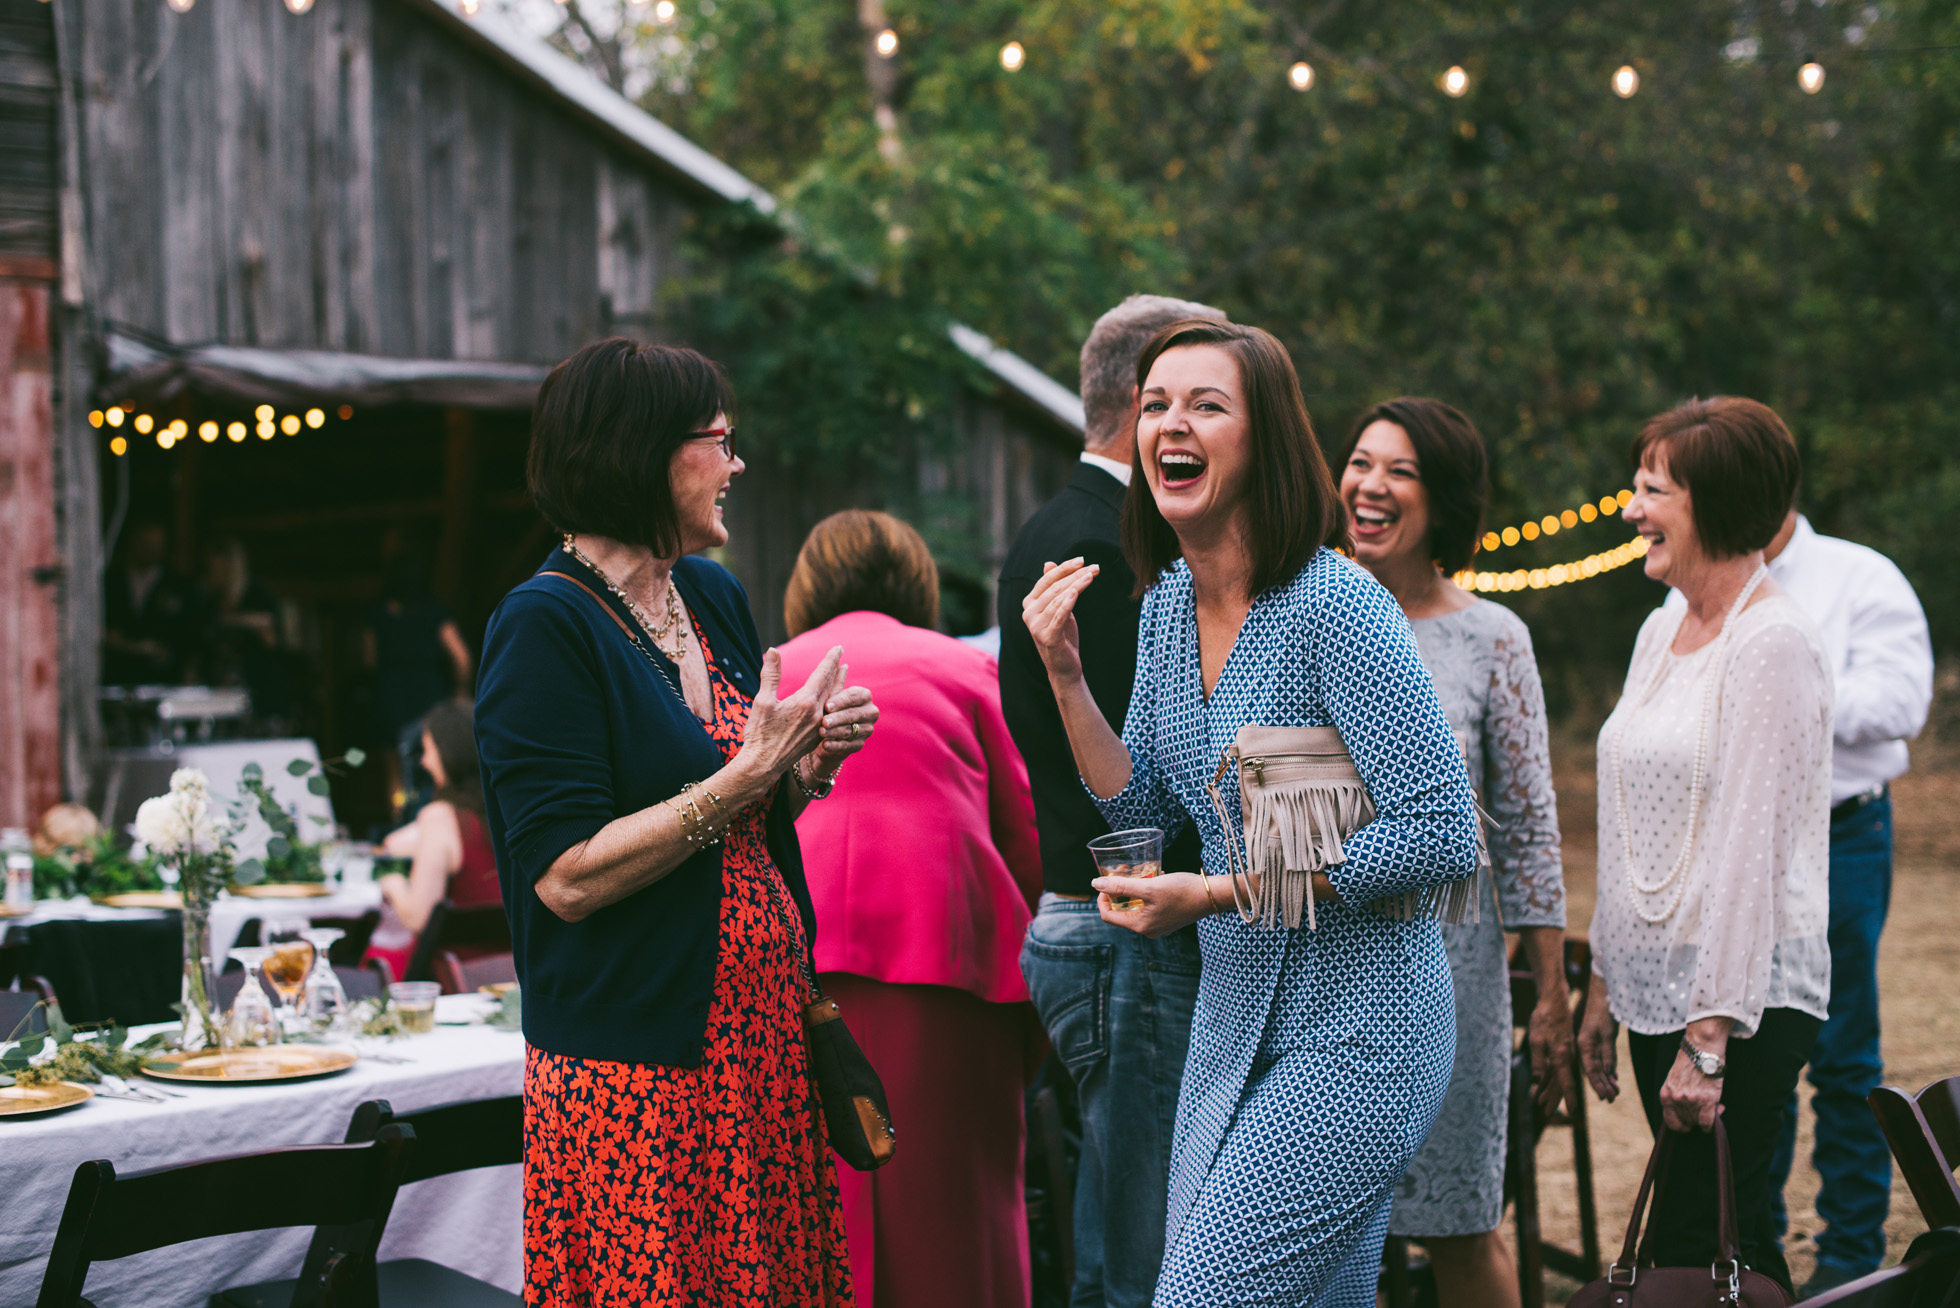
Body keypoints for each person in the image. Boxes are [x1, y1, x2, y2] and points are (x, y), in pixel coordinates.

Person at [1022, 319, 1480, 1306]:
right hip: (1234, 1021)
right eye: (1154, 405)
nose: (1169, 424)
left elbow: (1442, 829)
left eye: (1204, 404)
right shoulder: (1163, 603)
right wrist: (1064, 676)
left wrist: (1214, 892)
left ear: (1263, 438)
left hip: (1364, 1027)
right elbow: (1139, 796)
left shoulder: (1331, 602)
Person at [473, 338, 879, 1307]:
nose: (737, 465)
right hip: (641, 1070)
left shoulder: (711, 594)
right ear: (640, 451)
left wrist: (804, 770)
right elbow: (565, 878)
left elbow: (742, 806)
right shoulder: (545, 625)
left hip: (763, 1046)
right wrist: (753, 774)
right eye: (719, 442)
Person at [997, 292, 1223, 1308]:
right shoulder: (1118, 546)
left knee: (1120, 1207)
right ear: (1145, 401)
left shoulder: (1053, 526)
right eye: (1187, 396)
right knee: (1131, 1234)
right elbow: (1152, 776)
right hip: (1115, 925)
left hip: (1081, 915)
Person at [1577, 396, 1831, 1297]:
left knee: (1706, 1244)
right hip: (1661, 985)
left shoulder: (1773, 644)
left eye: (1652, 491)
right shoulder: (1662, 629)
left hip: (1740, 1000)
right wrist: (1606, 986)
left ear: (1714, 504)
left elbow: (1746, 852)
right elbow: (1629, 823)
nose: (1632, 509)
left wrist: (1710, 1039)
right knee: (1723, 1233)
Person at [776, 509, 1044, 1308]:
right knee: (959, 1208)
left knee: (814, 1216)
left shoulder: (768, 674)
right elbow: (1024, 827)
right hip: (952, 968)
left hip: (795, 975)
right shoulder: (961, 667)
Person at [1337, 398, 1571, 1308]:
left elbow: (1529, 828)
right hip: (1326, 960)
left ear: (1445, 501)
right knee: (1327, 1230)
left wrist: (1549, 995)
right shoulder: (1304, 610)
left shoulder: (1493, 638)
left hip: (1455, 976)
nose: (1371, 486)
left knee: (1464, 1225)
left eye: (1401, 471)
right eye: (1360, 463)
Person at [1678, 507, 1931, 1295]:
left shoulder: (1861, 576)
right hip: (1726, 838)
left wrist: (1782, 684)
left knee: (1843, 1049)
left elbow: (1901, 704)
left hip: (1839, 834)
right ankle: (1758, 1248)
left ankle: (1852, 1254)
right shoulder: (1684, 588)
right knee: (1756, 1049)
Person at [366, 700, 502, 982]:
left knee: (372, 960)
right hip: (512, 966)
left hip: (455, 974)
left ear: (450, 754)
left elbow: (419, 917)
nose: (424, 761)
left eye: (428, 750)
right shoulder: (503, 809)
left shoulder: (441, 817)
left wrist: (391, 881)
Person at [364, 546, 472, 812]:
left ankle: (399, 819)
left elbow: (369, 660)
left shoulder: (377, 615)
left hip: (389, 693)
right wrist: (460, 691)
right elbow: (461, 657)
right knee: (434, 766)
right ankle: (430, 823)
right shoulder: (436, 612)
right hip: (428, 692)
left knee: (395, 773)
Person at [103, 518, 197, 685]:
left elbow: (188, 631)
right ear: (134, 541)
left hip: (162, 678)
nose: (152, 549)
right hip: (118, 675)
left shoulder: (177, 584)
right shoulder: (112, 579)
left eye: (157, 544)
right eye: (147, 543)